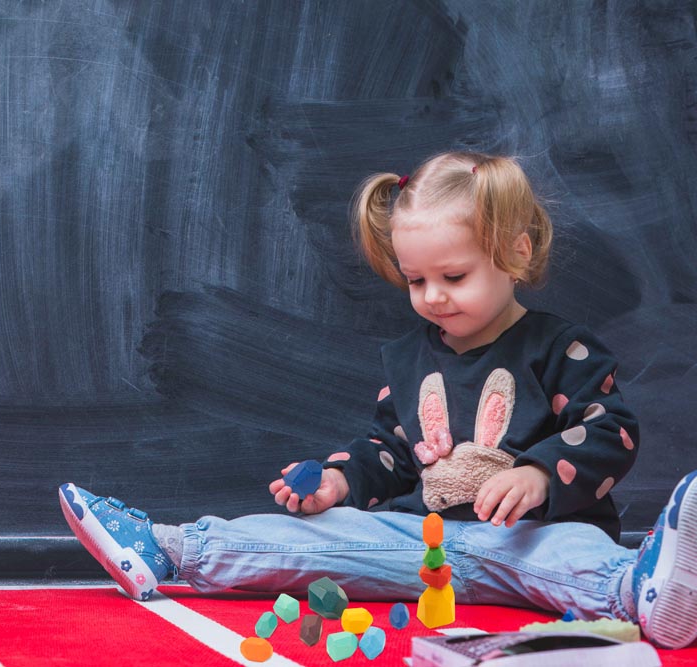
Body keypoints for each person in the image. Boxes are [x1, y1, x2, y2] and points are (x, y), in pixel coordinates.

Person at [58, 151, 697, 649]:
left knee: (575, 558)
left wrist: (539, 474)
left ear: (514, 253)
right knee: (309, 538)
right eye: (416, 280)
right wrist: (338, 483)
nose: (433, 297)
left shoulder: (562, 349)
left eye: (454, 277)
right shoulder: (408, 360)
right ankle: (167, 548)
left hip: (527, 542)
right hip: (420, 544)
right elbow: (388, 451)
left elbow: (610, 429)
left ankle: (641, 590)